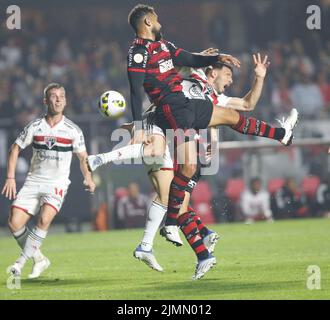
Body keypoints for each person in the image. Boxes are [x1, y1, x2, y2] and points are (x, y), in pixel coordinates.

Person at [125, 4, 299, 280]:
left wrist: (218, 56)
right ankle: (168, 227)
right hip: (168, 108)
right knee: (187, 171)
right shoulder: (138, 52)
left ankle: (282, 134)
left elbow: (190, 58)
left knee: (230, 117)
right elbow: (136, 90)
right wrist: (136, 126)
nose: (160, 20)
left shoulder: (165, 46)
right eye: (156, 17)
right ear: (147, 21)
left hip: (186, 106)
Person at [1, 83, 95, 278]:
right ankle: (40, 259)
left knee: (43, 219)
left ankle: (20, 263)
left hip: (56, 184)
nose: (58, 99)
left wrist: (88, 177)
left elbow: (83, 157)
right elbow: (14, 149)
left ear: (66, 101)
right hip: (33, 181)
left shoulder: (73, 130)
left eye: (62, 96)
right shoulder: (35, 126)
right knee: (14, 222)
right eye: (54, 96)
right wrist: (10, 177)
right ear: (46, 101)